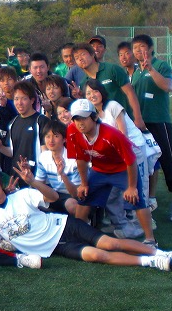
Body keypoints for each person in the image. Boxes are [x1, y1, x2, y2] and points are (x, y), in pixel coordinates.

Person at [0, 167, 172, 271]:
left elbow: (53, 197)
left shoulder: (21, 195)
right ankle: (150, 261)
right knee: (98, 256)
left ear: (0, 185)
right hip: (56, 247)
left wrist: (33, 182)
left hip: (65, 226)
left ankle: (161, 253)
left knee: (111, 243)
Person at [65, 99, 157, 246]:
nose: (80, 123)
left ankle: (150, 239)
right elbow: (80, 158)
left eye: (84, 118)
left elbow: (131, 161)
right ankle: (78, 235)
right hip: (99, 169)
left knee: (137, 199)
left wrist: (132, 187)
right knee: (84, 198)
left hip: (122, 169)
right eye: (76, 119)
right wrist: (84, 183)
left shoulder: (111, 134)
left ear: (95, 117)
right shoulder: (72, 131)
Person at [130, 34, 172, 222]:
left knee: (169, 161)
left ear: (151, 48)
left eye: (142, 46)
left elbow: (167, 86)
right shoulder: (135, 71)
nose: (138, 50)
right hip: (140, 124)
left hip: (159, 121)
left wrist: (151, 69)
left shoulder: (161, 66)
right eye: (135, 47)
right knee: (145, 163)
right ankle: (149, 200)